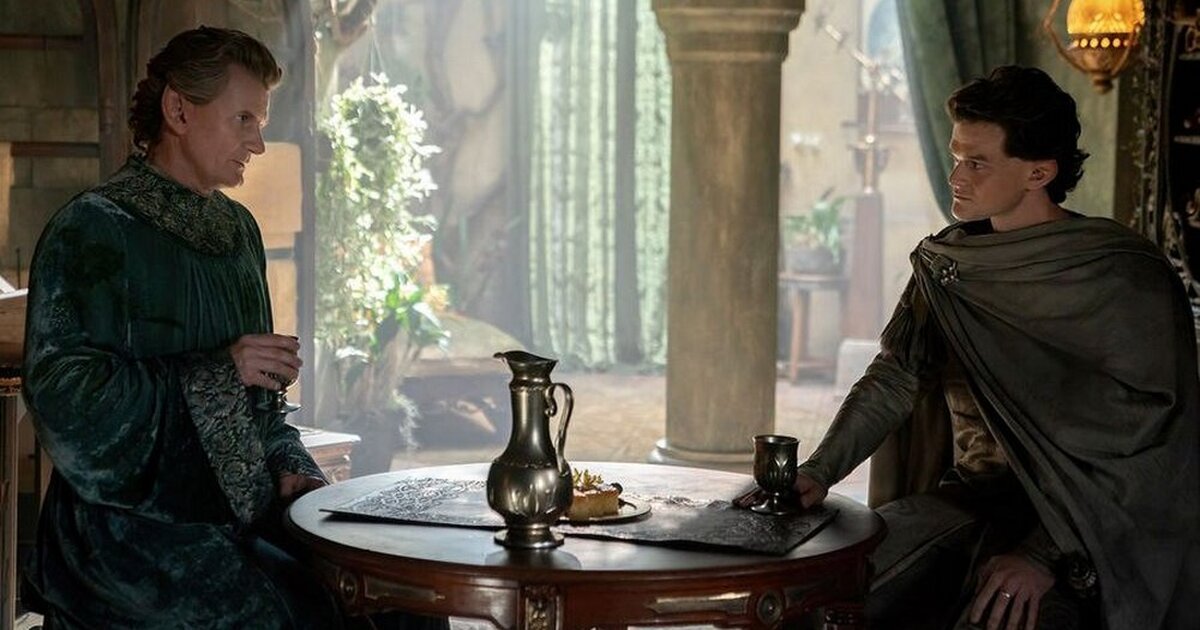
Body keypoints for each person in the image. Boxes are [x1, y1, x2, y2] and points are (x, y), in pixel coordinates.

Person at [20, 26, 443, 629]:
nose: (259, 143)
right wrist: (222, 369)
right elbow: (65, 404)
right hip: (127, 535)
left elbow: (263, 407)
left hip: (243, 514)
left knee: (409, 599)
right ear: (178, 111)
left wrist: (291, 464)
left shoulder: (238, 231)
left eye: (261, 123)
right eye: (244, 119)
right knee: (291, 617)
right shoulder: (93, 228)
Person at [792, 66, 1200, 630]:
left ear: (1039, 172)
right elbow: (896, 375)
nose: (955, 177)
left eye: (977, 163)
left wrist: (1041, 556)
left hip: (1090, 527)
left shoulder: (1123, 278)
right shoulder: (949, 266)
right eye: (956, 157)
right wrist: (819, 471)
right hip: (972, 500)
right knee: (825, 590)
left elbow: (1148, 447)